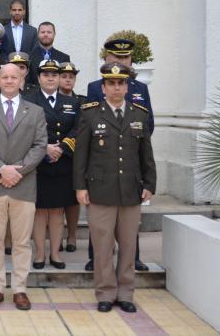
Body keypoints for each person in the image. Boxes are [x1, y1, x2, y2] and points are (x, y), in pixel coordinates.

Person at [73, 62, 156, 313]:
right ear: (104, 87)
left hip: (131, 191)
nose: (117, 87)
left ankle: (126, 293)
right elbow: (81, 155)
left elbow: (146, 155)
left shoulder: (139, 114)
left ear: (127, 86)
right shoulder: (90, 114)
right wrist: (80, 187)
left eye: (121, 83)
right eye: (112, 83)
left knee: (129, 247)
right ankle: (106, 293)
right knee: (102, 246)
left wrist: (150, 184)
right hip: (100, 191)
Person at [0, 63, 48, 311]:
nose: (9, 80)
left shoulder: (35, 111)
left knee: (22, 242)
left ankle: (20, 289)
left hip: (23, 187)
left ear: (22, 79)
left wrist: (18, 171)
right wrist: (2, 169)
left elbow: (39, 146)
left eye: (14, 76)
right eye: (5, 77)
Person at [84, 38, 154, 272]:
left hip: (130, 156)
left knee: (129, 219)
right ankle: (96, 258)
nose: (121, 61)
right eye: (116, 57)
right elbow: (91, 124)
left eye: (125, 58)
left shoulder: (140, 88)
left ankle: (133, 258)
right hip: (104, 161)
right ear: (107, 59)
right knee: (100, 221)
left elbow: (148, 123)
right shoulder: (96, 87)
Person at [23, 60, 80, 270]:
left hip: (63, 164)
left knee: (57, 212)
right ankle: (39, 253)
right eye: (45, 74)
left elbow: (77, 130)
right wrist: (45, 147)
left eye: (54, 75)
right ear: (38, 78)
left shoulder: (73, 103)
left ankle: (55, 253)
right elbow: (24, 130)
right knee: (40, 211)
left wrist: (62, 148)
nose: (50, 78)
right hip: (38, 164)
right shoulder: (28, 101)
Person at [55, 61, 85, 251]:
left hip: (72, 156)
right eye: (64, 76)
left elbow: (81, 127)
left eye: (71, 77)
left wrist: (64, 146)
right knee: (56, 201)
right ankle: (56, 238)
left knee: (73, 200)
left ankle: (72, 236)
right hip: (51, 157)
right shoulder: (50, 99)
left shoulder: (81, 101)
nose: (67, 79)